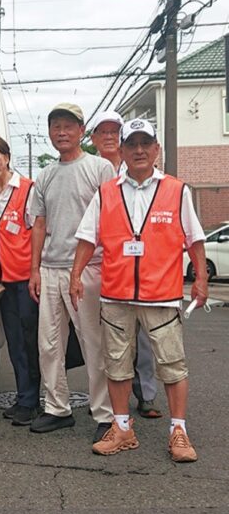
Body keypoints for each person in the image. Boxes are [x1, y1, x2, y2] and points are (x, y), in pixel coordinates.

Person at [71, 118, 207, 461]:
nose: (139, 150)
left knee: (172, 365)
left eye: (146, 143)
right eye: (132, 144)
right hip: (115, 295)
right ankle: (121, 428)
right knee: (115, 365)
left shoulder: (177, 190)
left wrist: (201, 279)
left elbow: (195, 239)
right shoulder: (106, 192)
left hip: (162, 296)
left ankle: (179, 431)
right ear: (123, 150)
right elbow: (88, 237)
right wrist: (75, 275)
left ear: (157, 149)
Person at [28, 103, 115, 444]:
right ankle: (57, 408)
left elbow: (112, 218)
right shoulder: (45, 175)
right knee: (48, 344)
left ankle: (105, 413)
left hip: (90, 269)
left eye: (68, 125)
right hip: (50, 269)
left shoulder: (99, 168)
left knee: (94, 343)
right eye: (55, 126)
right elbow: (39, 224)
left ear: (82, 131)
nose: (61, 132)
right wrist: (34, 269)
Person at [89, 111, 162, 420]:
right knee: (111, 339)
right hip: (103, 268)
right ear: (94, 140)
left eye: (113, 131)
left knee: (144, 338)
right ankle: (112, 404)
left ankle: (145, 394)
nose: (108, 136)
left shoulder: (142, 169)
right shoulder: (92, 170)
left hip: (143, 272)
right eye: (102, 132)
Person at [0, 135, 41, 426]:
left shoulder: (28, 190)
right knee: (14, 342)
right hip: (3, 283)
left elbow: (40, 233)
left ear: (7, 156)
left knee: (32, 341)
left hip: (28, 281)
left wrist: (36, 271)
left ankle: (35, 400)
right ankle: (25, 396)